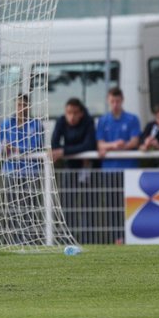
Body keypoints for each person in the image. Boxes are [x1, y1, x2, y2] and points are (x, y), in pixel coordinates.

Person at [0, 93, 45, 244]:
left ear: (29, 106)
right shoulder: (6, 124)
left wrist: (16, 149)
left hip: (30, 172)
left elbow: (36, 145)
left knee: (30, 207)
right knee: (11, 208)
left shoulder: (36, 124)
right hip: (10, 172)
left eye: (24, 105)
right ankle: (13, 240)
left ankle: (30, 240)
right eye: (18, 105)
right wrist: (5, 149)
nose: (21, 108)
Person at [96, 87, 141, 244]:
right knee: (112, 206)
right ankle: (117, 238)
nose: (115, 104)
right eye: (112, 101)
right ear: (108, 101)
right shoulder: (103, 121)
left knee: (131, 204)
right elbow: (100, 144)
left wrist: (122, 146)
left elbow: (135, 141)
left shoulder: (132, 119)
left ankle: (132, 237)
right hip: (109, 171)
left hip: (129, 170)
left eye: (117, 101)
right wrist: (114, 145)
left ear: (122, 100)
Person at [50, 97, 97, 243]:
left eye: (75, 113)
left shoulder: (88, 121)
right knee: (67, 205)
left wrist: (64, 151)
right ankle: (67, 239)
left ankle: (87, 240)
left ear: (81, 113)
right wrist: (66, 151)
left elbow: (89, 145)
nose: (72, 117)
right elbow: (54, 144)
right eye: (69, 113)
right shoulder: (61, 121)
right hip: (70, 168)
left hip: (87, 168)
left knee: (88, 205)